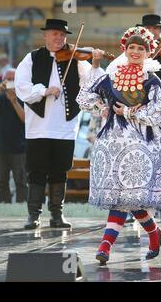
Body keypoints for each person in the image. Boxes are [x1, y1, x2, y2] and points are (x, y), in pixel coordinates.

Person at [76, 26, 161, 265]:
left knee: (128, 197)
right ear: (125, 49)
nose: (135, 51)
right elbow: (84, 98)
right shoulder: (112, 76)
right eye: (131, 47)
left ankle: (106, 246)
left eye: (140, 48)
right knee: (124, 198)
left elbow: (158, 113)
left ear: (147, 52)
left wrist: (131, 111)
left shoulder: (151, 80)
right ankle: (154, 234)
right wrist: (100, 107)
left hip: (142, 144)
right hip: (113, 143)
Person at [15, 19, 105, 229]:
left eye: (62, 35)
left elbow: (92, 85)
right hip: (38, 127)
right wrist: (44, 91)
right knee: (36, 171)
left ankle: (57, 215)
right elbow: (21, 87)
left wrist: (96, 63)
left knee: (60, 171)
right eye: (54, 34)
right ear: (45, 36)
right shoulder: (32, 58)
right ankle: (33, 215)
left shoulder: (75, 59)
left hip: (65, 127)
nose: (59, 38)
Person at [107, 14, 161, 223]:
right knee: (135, 163)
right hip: (128, 122)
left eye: (156, 29)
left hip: (157, 118)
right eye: (148, 28)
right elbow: (110, 82)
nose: (152, 32)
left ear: (160, 32)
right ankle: (136, 207)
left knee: (159, 163)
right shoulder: (126, 57)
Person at [0, 68, 27, 203]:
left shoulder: (24, 97)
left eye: (13, 79)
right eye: (8, 79)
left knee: (20, 181)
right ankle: (5, 206)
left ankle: (21, 208)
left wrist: (14, 101)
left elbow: (25, 119)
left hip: (18, 147)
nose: (10, 82)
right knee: (1, 181)